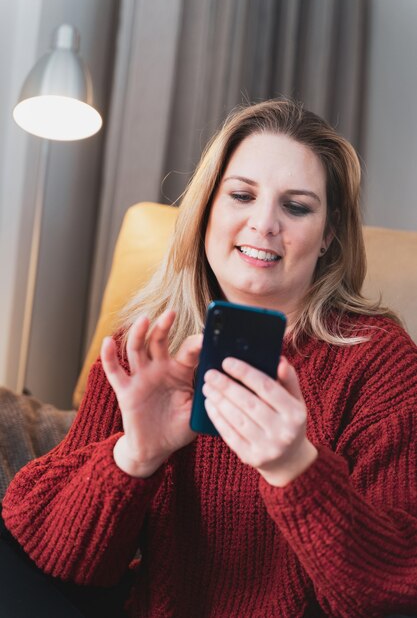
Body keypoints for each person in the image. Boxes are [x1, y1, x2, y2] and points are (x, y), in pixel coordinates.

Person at [2, 98, 417, 618]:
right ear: (206, 212)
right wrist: (135, 454)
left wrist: (295, 467)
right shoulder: (147, 344)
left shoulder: (378, 360)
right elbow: (62, 563)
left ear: (328, 233)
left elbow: (397, 586)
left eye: (297, 206)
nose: (264, 223)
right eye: (241, 195)